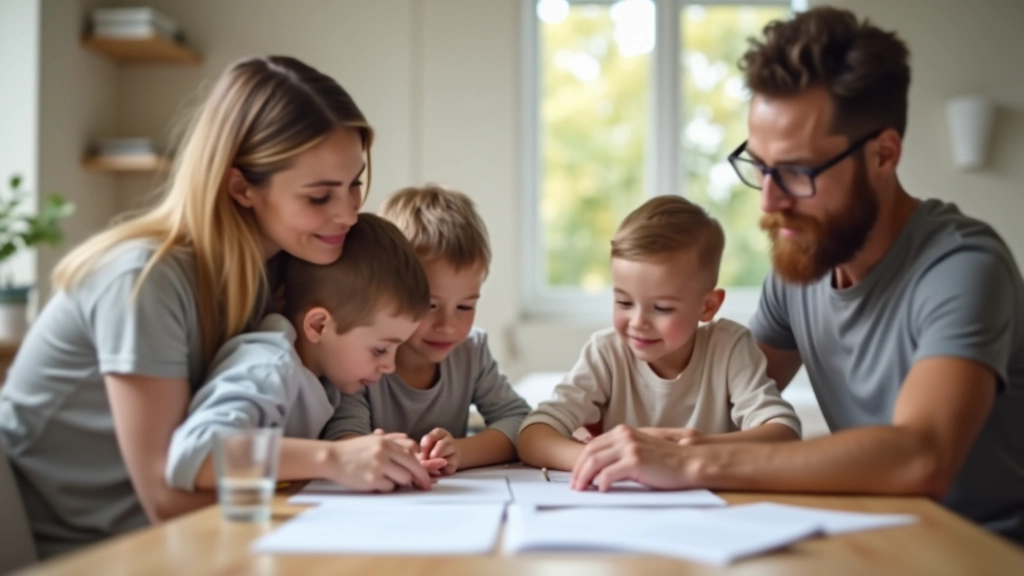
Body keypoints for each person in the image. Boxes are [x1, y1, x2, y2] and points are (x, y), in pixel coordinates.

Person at [569, 7, 1024, 543]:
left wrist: (691, 464)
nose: (769, 200)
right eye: (759, 167)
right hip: (870, 532)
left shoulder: (963, 267)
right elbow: (727, 398)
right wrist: (627, 435)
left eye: (796, 172)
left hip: (985, 546)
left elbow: (920, 456)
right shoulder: (801, 270)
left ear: (883, 154)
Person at [0, 56, 423, 558]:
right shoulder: (143, 281)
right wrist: (331, 462)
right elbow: (166, 497)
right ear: (241, 187)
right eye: (318, 197)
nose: (349, 212)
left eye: (355, 183)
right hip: (79, 547)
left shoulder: (281, 274)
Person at [517, 196, 800, 471]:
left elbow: (784, 432)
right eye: (624, 302)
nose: (638, 322)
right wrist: (598, 458)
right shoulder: (606, 352)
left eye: (662, 308)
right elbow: (533, 436)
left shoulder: (729, 347)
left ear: (708, 306)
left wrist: (684, 454)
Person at [166, 214, 438, 493]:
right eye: (380, 349)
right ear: (319, 325)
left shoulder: (326, 376)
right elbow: (195, 453)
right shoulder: (270, 366)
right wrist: (333, 459)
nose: (390, 366)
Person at [331, 185, 531, 474]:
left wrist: (460, 452)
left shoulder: (470, 351)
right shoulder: (362, 357)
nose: (448, 326)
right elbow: (344, 438)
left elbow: (519, 422)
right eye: (430, 305)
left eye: (465, 307)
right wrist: (382, 455)